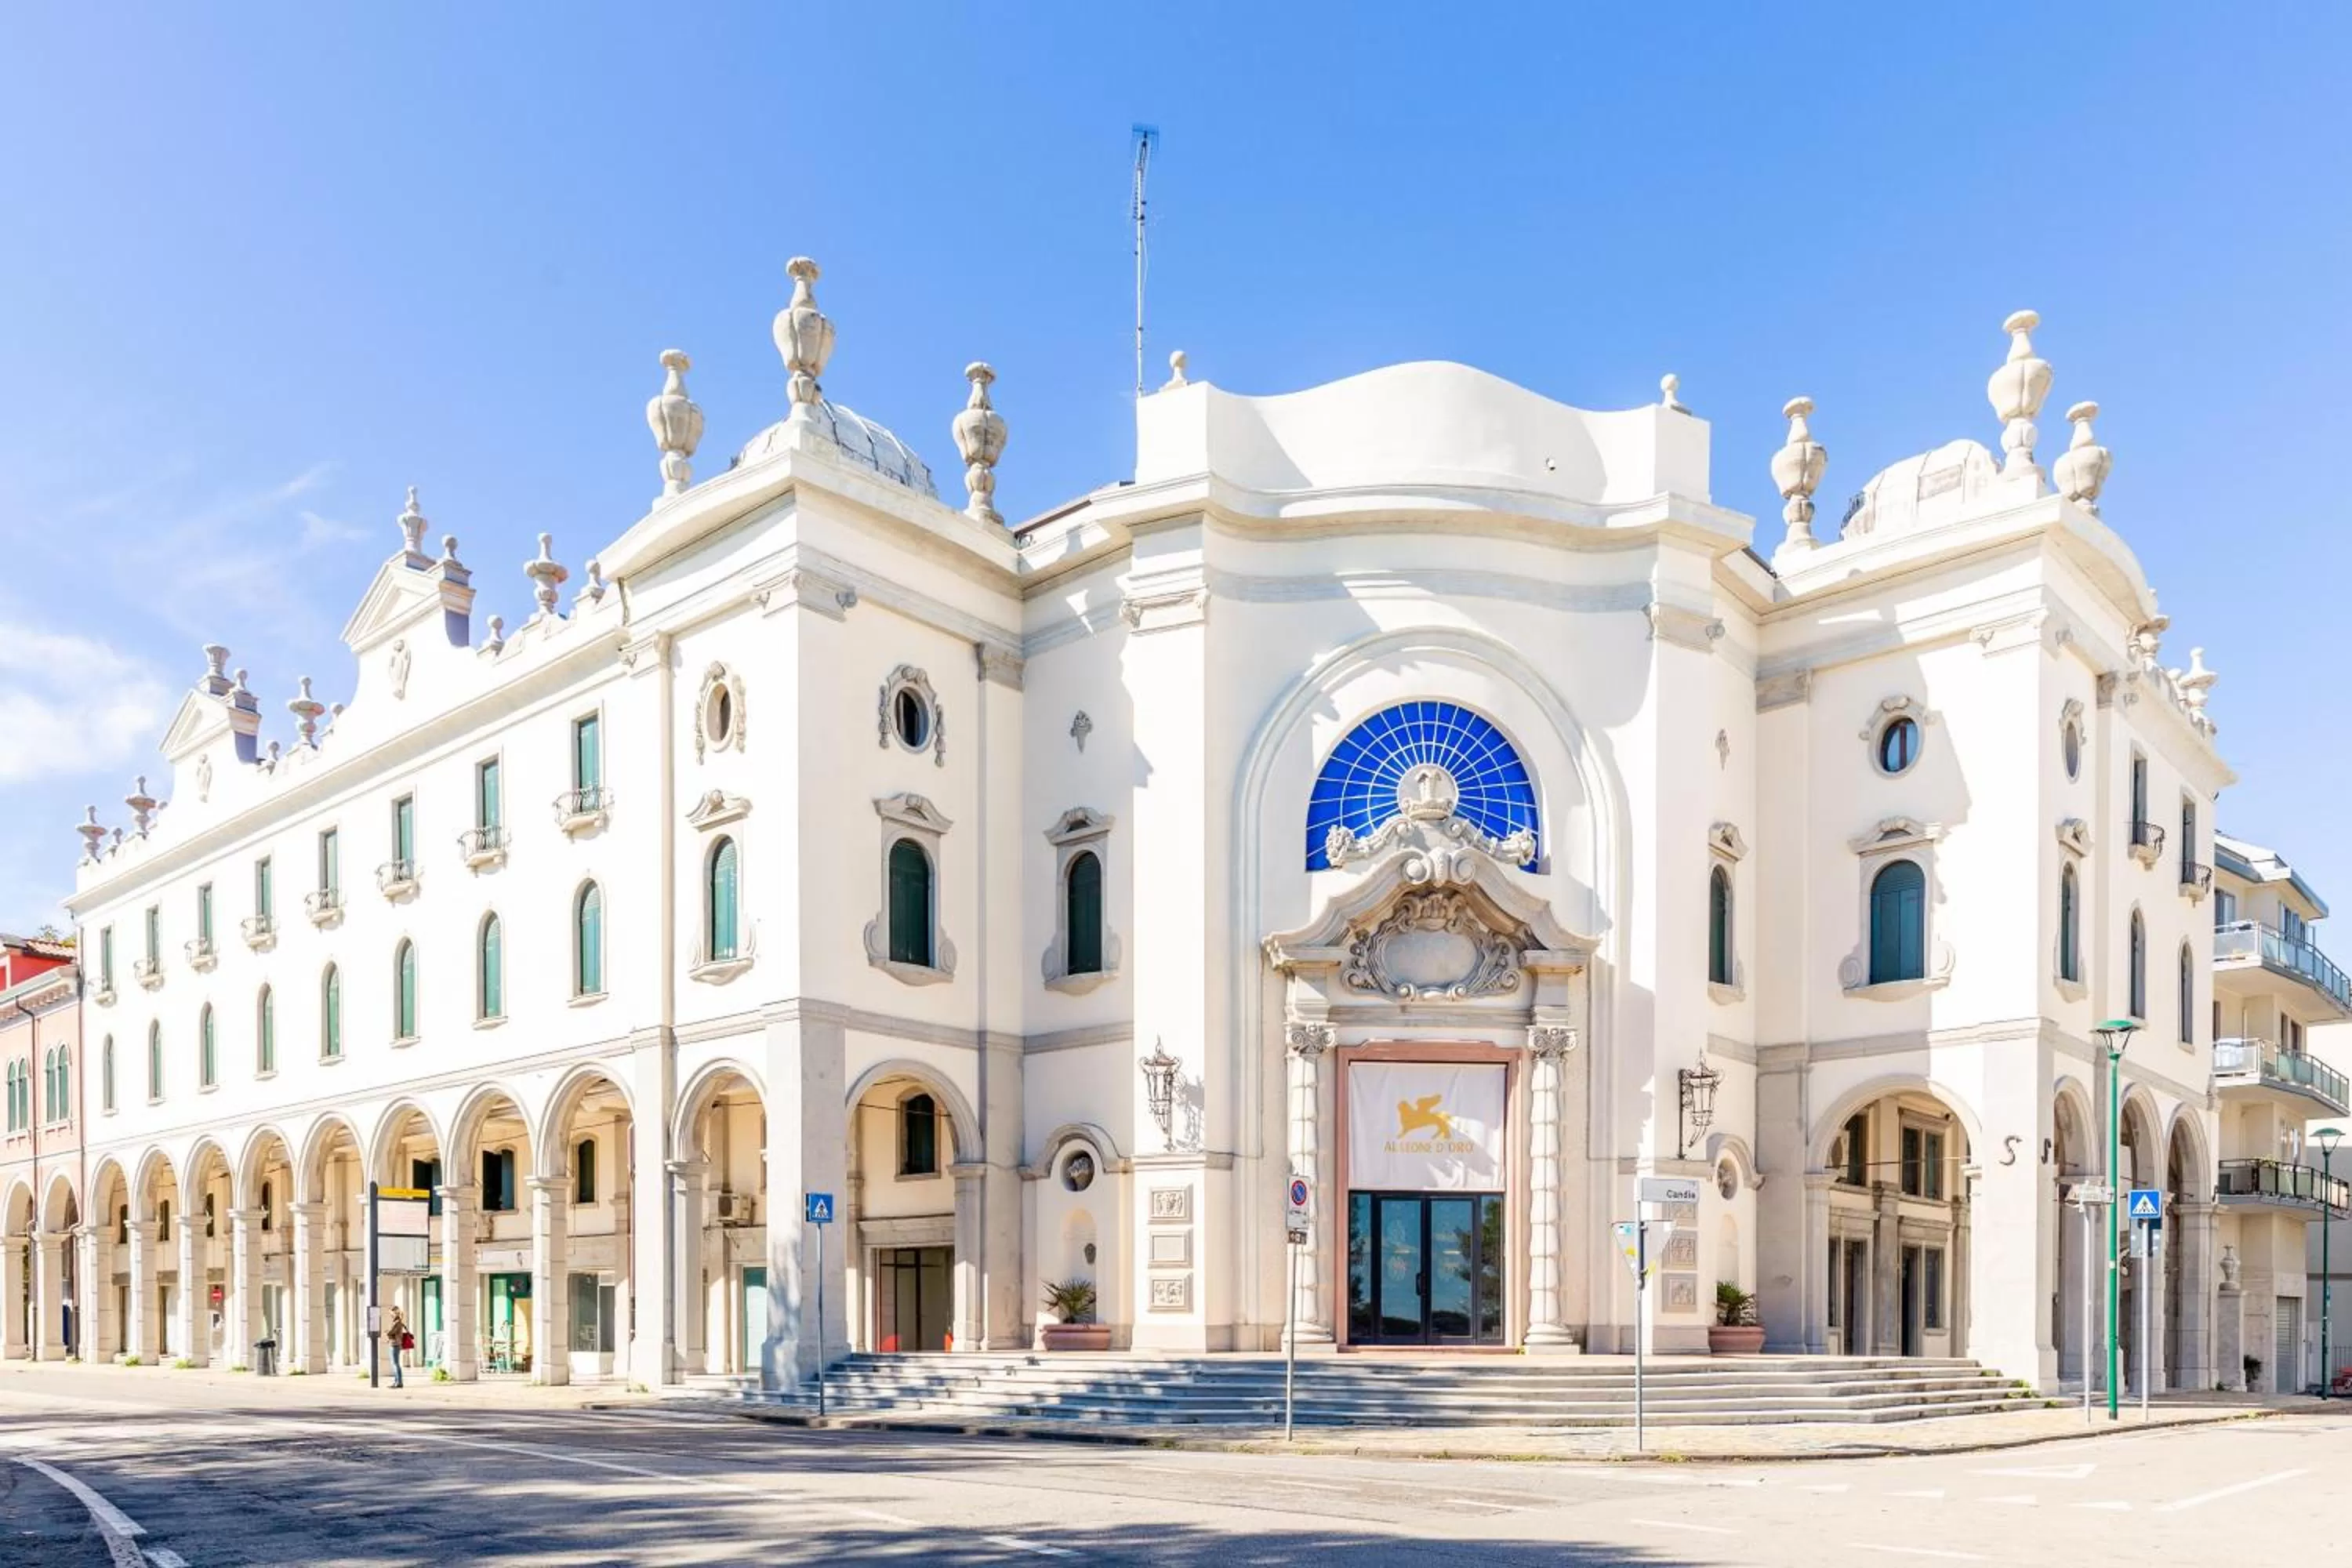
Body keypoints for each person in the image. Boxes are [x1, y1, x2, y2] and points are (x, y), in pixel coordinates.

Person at [387, 1306, 410, 1388]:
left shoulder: (397, 1322)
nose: (390, 1314)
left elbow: (390, 1332)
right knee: (395, 1363)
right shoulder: (397, 1321)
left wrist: (387, 1332)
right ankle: (396, 1381)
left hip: (395, 1344)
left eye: (391, 1312)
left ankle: (399, 1382)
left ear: (394, 1312)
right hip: (395, 1344)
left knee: (395, 1364)